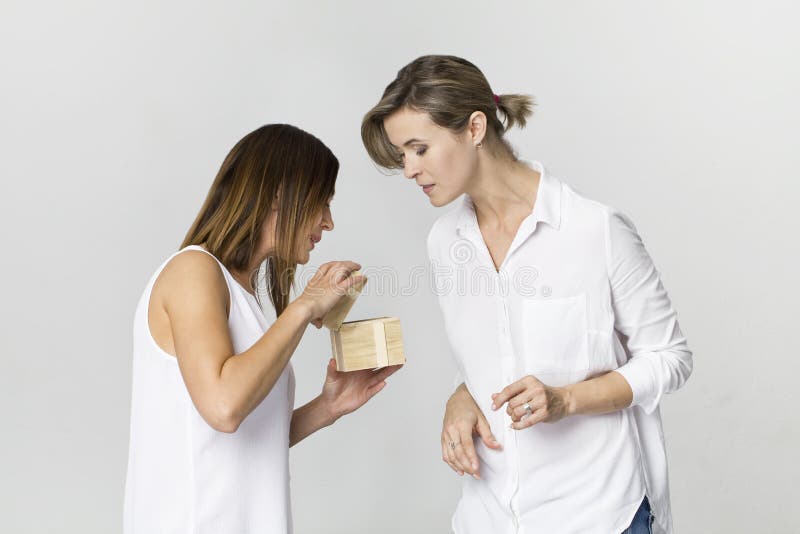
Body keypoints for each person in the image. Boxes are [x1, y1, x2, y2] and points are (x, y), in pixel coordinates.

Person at [361, 55, 692, 534]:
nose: (409, 169)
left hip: (597, 515)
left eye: (419, 149)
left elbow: (670, 357)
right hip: (488, 516)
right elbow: (495, 347)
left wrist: (567, 400)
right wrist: (460, 397)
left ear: (474, 128)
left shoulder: (595, 230)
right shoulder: (444, 242)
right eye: (402, 155)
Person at [123, 124, 401, 533]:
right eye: (322, 202)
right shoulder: (194, 271)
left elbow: (242, 440)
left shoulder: (243, 295)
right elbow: (223, 407)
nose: (328, 222)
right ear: (278, 195)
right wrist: (306, 306)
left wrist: (327, 407)